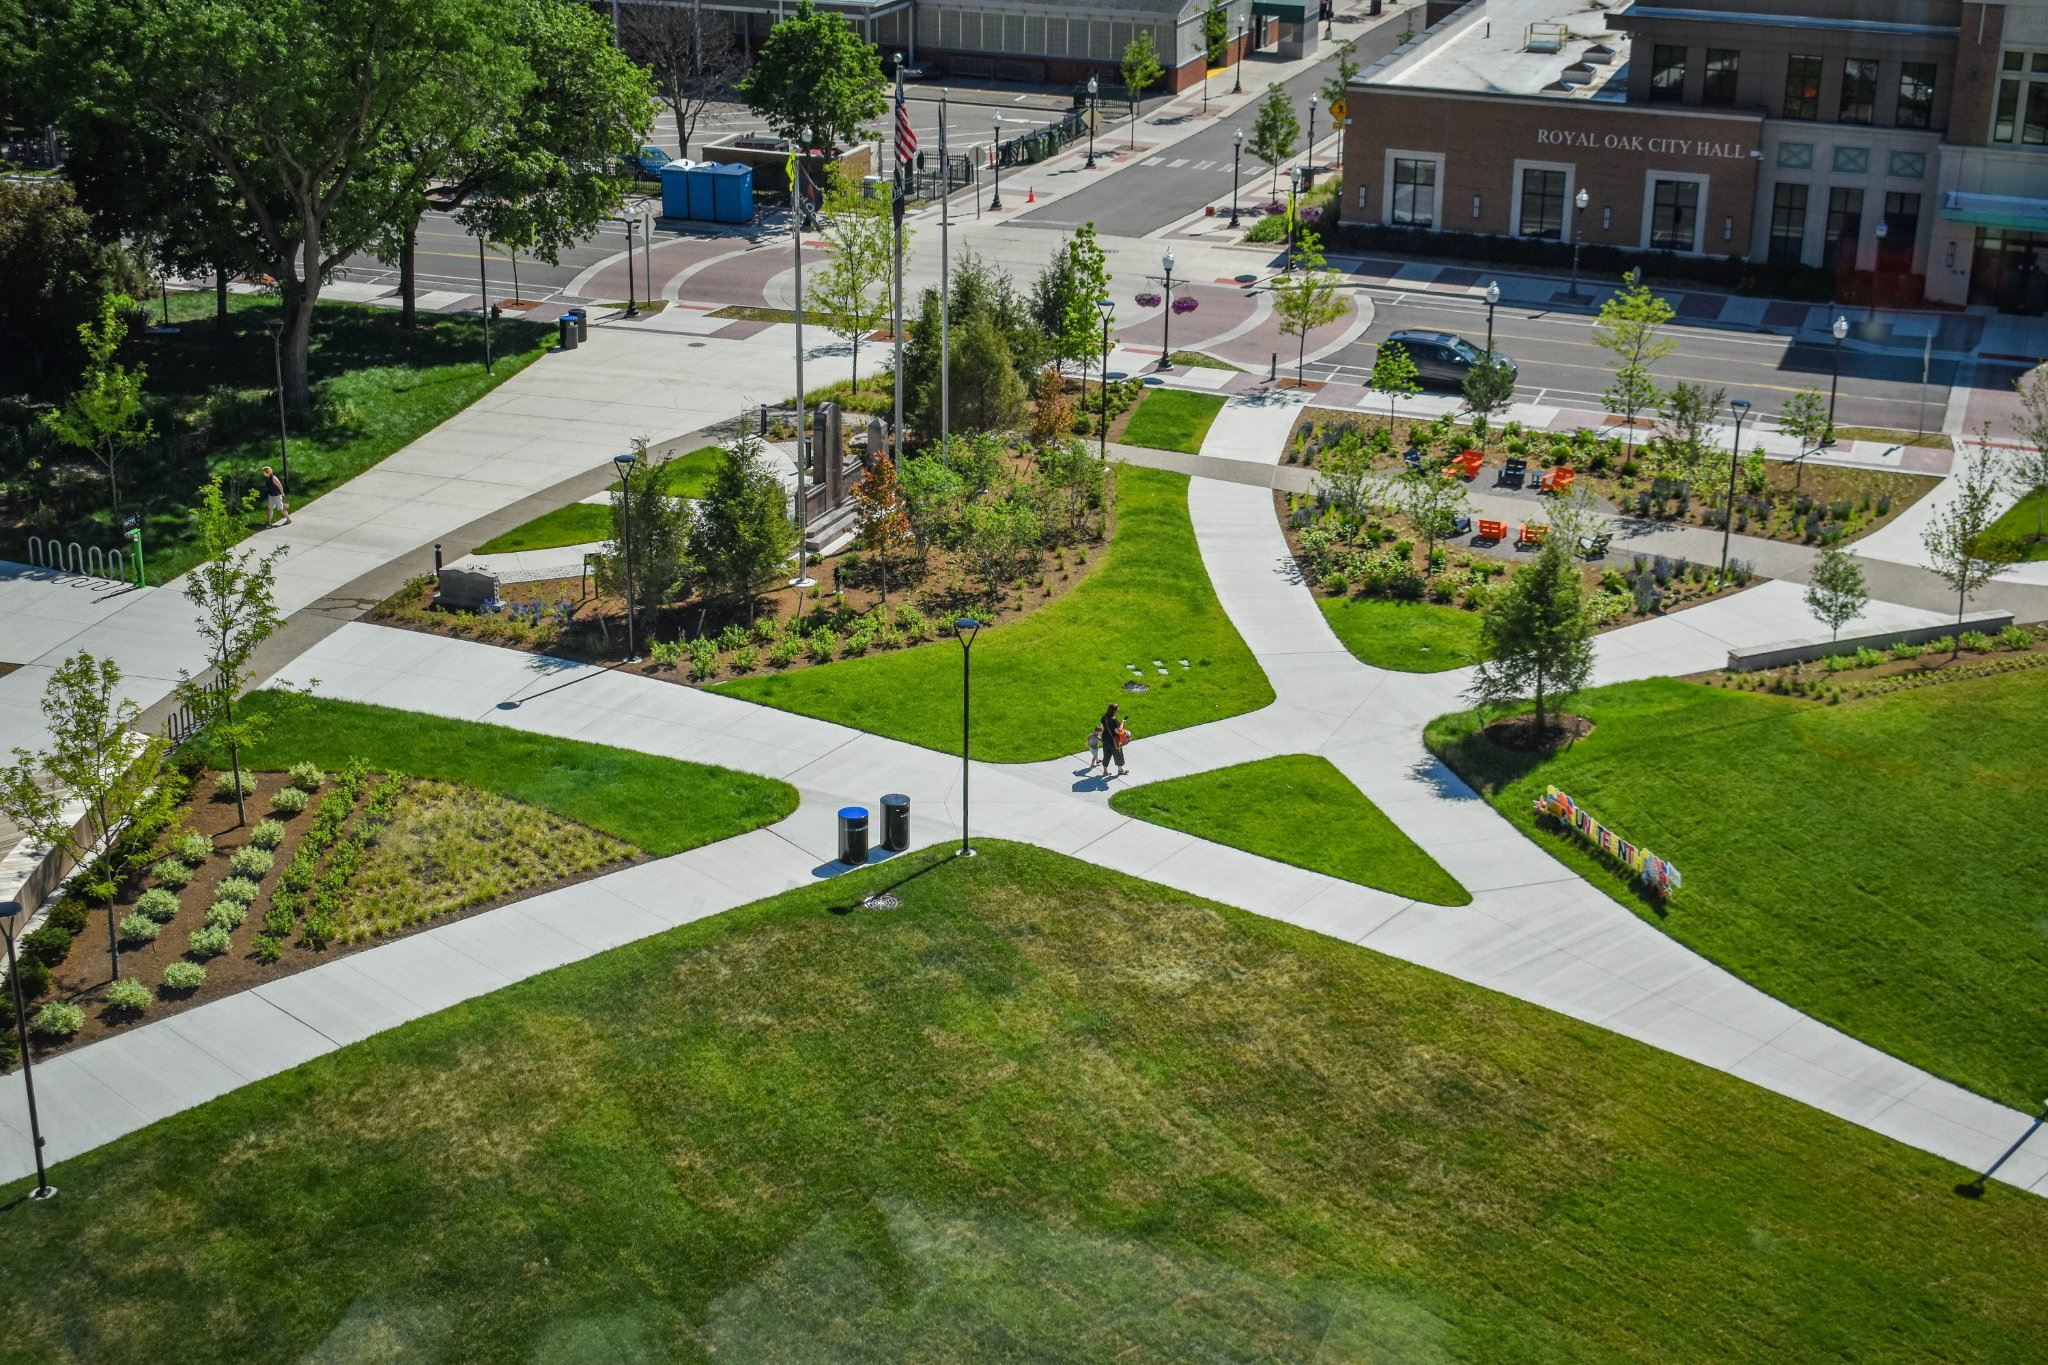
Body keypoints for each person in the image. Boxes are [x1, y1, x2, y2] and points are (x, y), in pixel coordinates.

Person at [1099, 703, 1129, 778]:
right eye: (1117, 709)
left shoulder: (1104, 717)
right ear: (1114, 711)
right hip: (1114, 740)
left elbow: (1102, 728)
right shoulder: (1114, 720)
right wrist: (1123, 722)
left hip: (1105, 739)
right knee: (1118, 754)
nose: (1118, 710)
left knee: (1106, 754)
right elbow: (1118, 731)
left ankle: (1105, 771)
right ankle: (1120, 770)